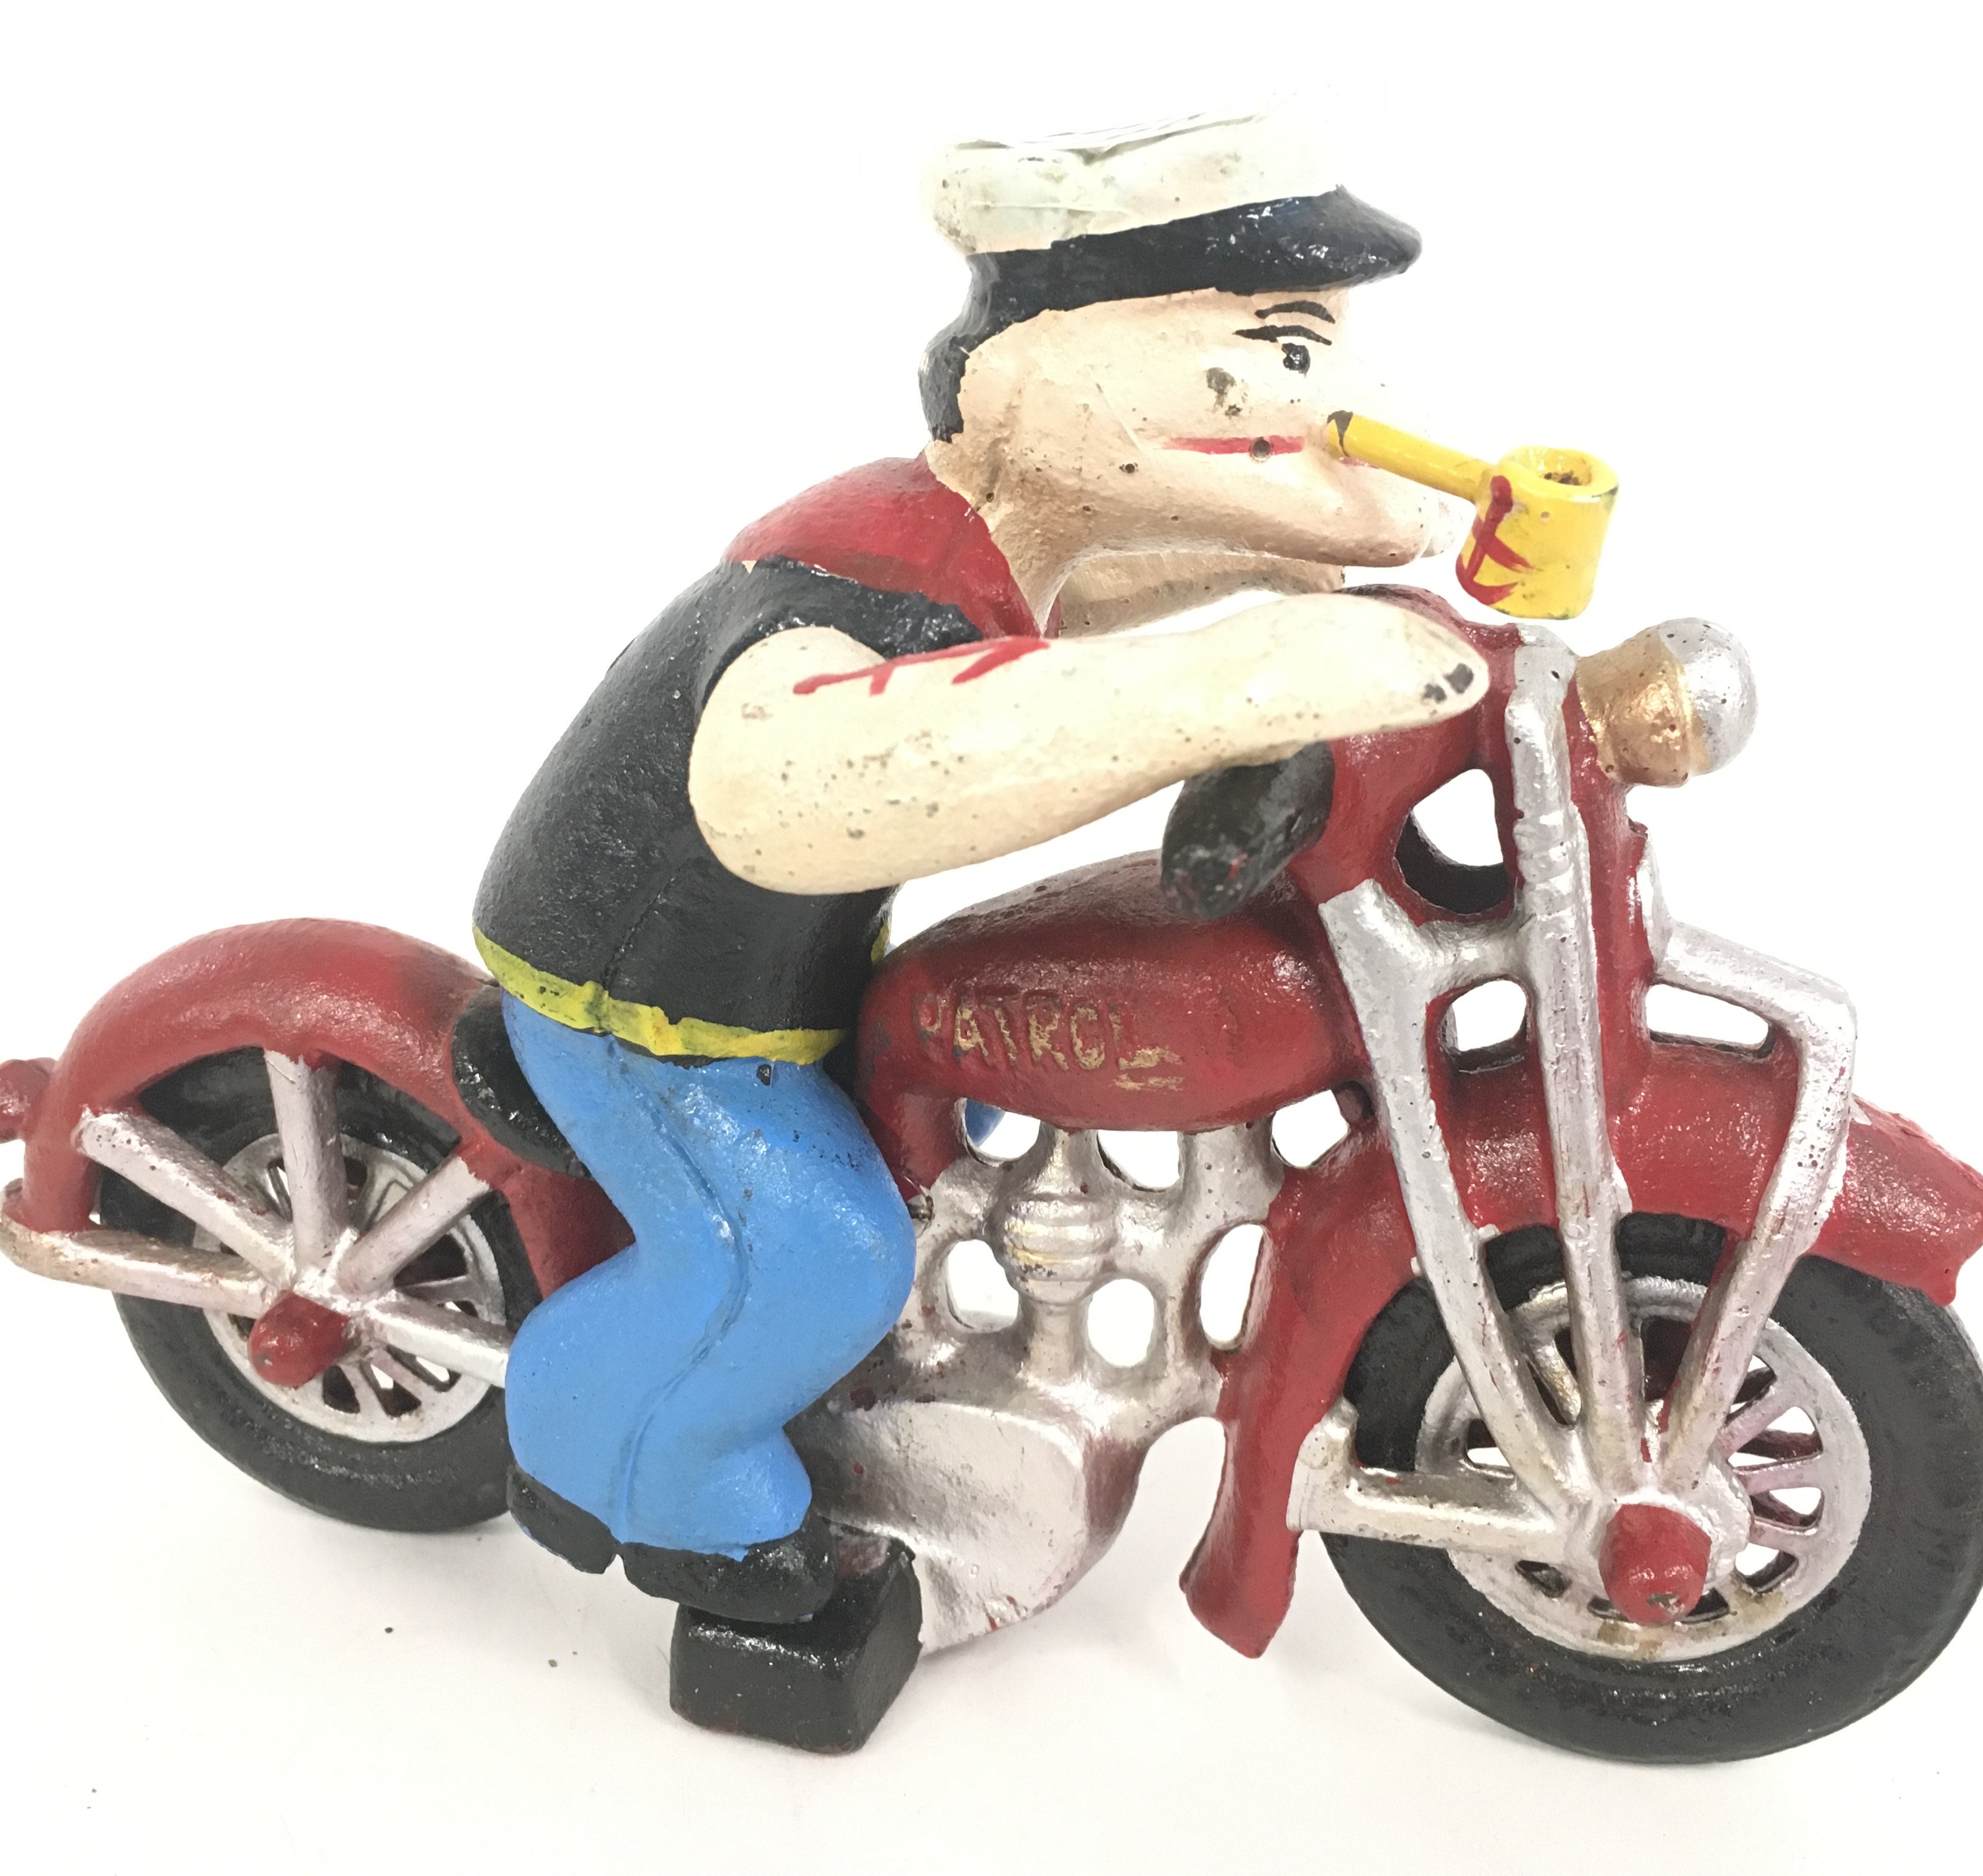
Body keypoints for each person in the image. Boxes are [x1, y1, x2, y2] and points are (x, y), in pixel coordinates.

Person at [472, 112, 1484, 1633]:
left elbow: (1098, 579)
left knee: (984, 1064)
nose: (1329, 399)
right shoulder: (856, 573)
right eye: (1281, 347)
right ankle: (656, 1484)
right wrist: (1250, 672)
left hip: (793, 981)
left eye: (1327, 348)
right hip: (646, 1006)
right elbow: (791, 786)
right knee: (812, 1256)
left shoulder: (980, 530)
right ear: (1044, 368)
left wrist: (1298, 553)